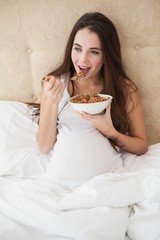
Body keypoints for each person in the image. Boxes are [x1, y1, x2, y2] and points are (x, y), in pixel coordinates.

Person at [32, 12, 148, 182]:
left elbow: (141, 146)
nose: (82, 60)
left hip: (109, 180)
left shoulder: (125, 89)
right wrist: (52, 102)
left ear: (106, 56)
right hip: (59, 184)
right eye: (77, 48)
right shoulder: (55, 85)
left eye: (94, 52)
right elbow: (44, 147)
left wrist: (111, 132)